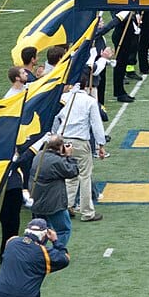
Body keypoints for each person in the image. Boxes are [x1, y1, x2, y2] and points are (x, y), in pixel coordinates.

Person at [53, 72, 106, 222]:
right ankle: (87, 212)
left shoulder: (64, 98)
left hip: (62, 140)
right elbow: (96, 124)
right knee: (84, 176)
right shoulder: (89, 101)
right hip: (80, 141)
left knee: (69, 176)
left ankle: (68, 205)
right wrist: (100, 145)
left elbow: (56, 119)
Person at [28, 135, 79, 249]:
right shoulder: (57, 161)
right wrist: (69, 156)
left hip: (36, 200)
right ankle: (57, 251)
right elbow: (72, 171)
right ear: (60, 147)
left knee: (42, 230)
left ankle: (37, 252)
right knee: (63, 229)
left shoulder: (39, 156)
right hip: (53, 202)